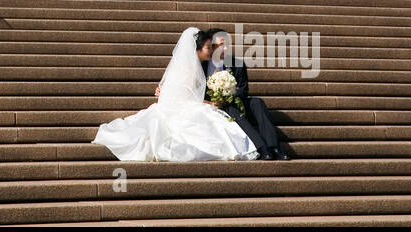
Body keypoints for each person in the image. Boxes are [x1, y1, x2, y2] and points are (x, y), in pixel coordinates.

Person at [92, 27, 257, 161]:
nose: (210, 51)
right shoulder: (191, 68)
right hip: (183, 106)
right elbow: (186, 97)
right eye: (208, 47)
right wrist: (211, 104)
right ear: (197, 49)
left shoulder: (196, 65)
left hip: (183, 103)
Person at [204, 29, 289, 159]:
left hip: (235, 101)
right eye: (222, 44)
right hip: (213, 107)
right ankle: (262, 147)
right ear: (213, 46)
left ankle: (275, 147)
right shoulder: (202, 65)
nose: (226, 47)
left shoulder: (237, 64)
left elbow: (243, 89)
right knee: (230, 108)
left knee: (257, 102)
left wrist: (228, 97)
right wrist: (218, 102)